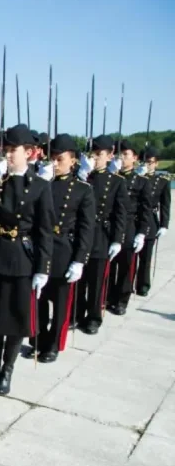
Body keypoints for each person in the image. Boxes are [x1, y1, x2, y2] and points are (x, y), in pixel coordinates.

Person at [0, 124, 54, 396]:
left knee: (15, 319)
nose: (8, 155)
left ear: (30, 153)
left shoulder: (39, 187)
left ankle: (7, 370)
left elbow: (44, 231)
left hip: (22, 258)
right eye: (7, 150)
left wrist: (43, 268)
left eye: (14, 151)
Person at [34, 134, 94, 362]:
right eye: (52, 159)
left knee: (60, 305)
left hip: (63, 250)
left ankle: (53, 345)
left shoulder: (82, 189)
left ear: (73, 161)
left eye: (60, 159)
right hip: (41, 249)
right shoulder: (40, 184)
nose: (55, 164)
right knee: (39, 300)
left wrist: (80, 259)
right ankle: (38, 339)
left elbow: (86, 228)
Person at [72, 135, 127, 334]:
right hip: (79, 234)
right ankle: (76, 313)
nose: (94, 159)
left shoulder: (115, 181)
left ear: (110, 155)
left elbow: (120, 213)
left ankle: (94, 316)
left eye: (99, 154)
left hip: (100, 235)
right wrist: (81, 177)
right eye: (92, 154)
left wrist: (117, 239)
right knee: (79, 279)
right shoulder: (80, 176)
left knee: (95, 280)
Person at [106, 141, 151, 315]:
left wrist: (141, 232)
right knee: (109, 265)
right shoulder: (112, 177)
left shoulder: (141, 181)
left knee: (126, 266)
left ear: (135, 158)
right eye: (119, 154)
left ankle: (122, 299)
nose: (122, 158)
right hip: (111, 225)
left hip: (129, 225)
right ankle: (108, 296)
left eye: (126, 154)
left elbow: (145, 210)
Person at [134, 147, 169, 296]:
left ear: (156, 164)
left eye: (150, 163)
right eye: (144, 162)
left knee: (146, 258)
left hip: (150, 221)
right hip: (134, 220)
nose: (147, 166)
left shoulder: (162, 181)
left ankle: (143, 284)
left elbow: (165, 204)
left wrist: (164, 224)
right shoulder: (136, 178)